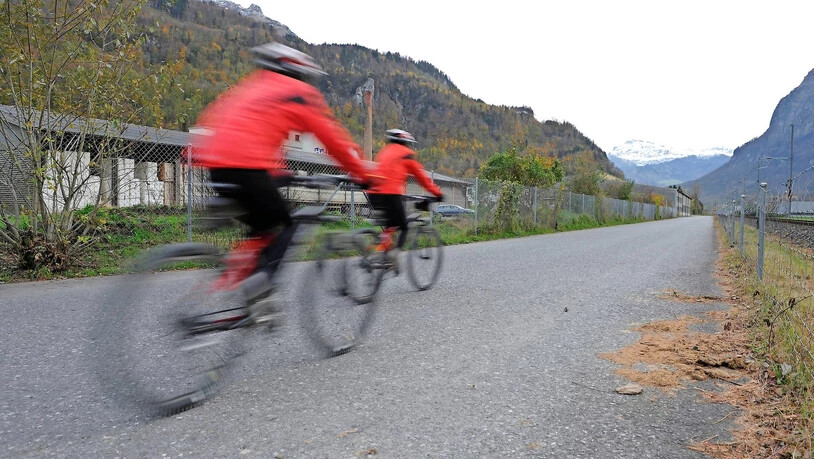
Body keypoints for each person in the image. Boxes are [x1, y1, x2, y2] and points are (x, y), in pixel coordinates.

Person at [190, 43, 372, 302]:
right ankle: (261, 284)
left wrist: (280, 174)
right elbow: (334, 141)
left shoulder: (249, 88)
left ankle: (230, 280)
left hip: (216, 166)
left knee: (260, 226)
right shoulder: (298, 92)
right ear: (299, 73)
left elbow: (246, 136)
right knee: (286, 225)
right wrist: (361, 173)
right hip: (248, 168)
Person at [367, 129, 444, 271]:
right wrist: (437, 193)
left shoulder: (383, 152)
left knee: (390, 226)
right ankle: (392, 256)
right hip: (391, 194)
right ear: (405, 142)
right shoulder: (406, 154)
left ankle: (378, 252)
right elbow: (421, 177)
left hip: (373, 194)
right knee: (403, 227)